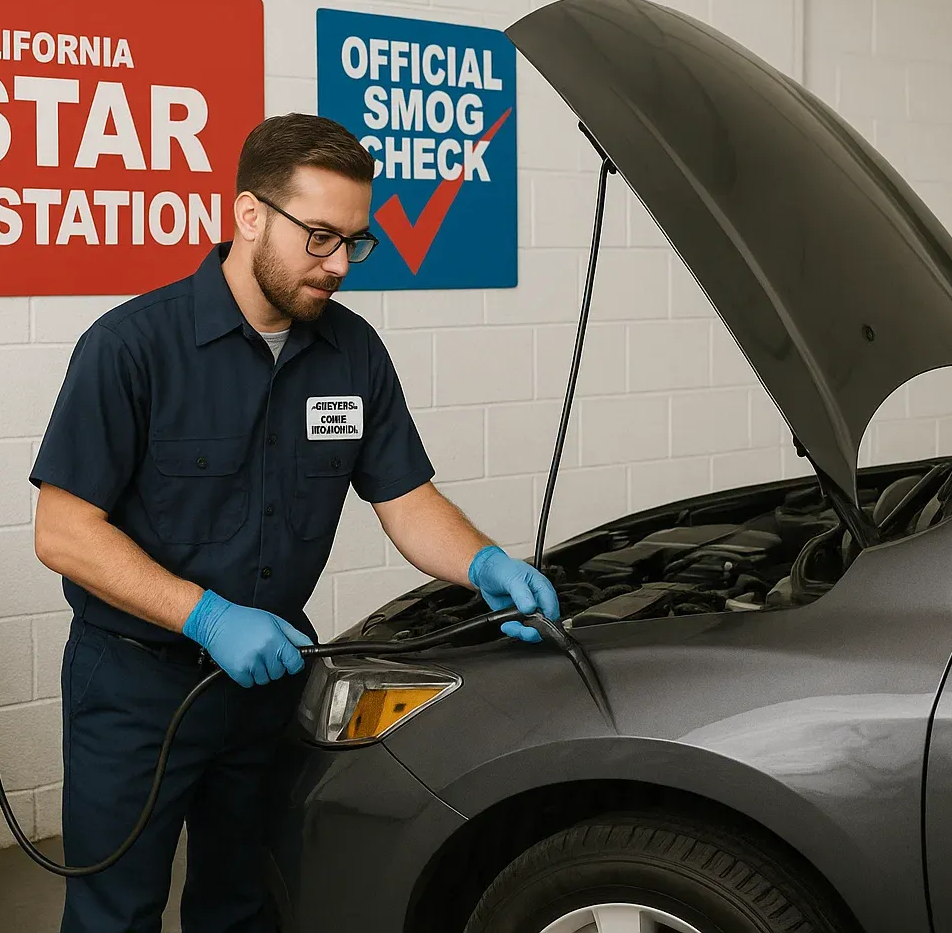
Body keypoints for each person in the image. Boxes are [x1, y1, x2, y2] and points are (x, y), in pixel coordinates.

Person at [29, 112, 559, 933]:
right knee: (114, 913)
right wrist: (204, 614)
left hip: (270, 681)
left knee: (246, 904)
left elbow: (407, 501)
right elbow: (63, 532)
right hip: (137, 685)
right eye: (319, 237)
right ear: (248, 216)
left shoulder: (353, 353)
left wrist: (486, 565)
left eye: (354, 241)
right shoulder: (132, 346)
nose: (340, 264)